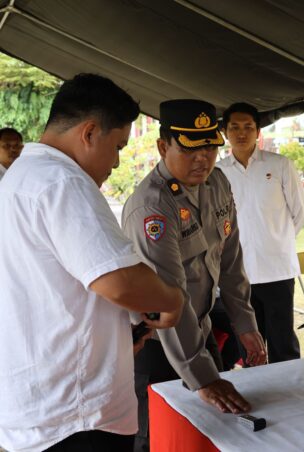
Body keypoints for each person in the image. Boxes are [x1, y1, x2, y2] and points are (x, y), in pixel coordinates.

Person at [0, 73, 184, 452]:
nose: (116, 162)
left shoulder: (19, 177)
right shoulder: (63, 182)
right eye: (117, 145)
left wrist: (114, 336)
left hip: (39, 404)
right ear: (88, 134)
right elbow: (119, 282)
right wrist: (172, 300)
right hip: (76, 417)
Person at [121, 99, 266, 452]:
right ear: (162, 146)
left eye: (209, 146)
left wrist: (245, 324)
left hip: (198, 334)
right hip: (155, 345)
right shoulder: (153, 206)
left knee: (214, 431)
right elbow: (167, 297)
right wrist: (202, 378)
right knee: (156, 438)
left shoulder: (217, 183)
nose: (202, 157)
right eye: (190, 148)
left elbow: (230, 261)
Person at [216, 102, 304, 363]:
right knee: (249, 346)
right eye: (234, 127)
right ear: (225, 132)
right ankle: (259, 394)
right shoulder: (218, 172)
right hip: (238, 273)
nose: (241, 133)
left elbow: (299, 214)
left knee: (282, 343)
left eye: (248, 127)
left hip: (277, 268)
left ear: (258, 131)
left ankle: (291, 393)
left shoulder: (280, 165)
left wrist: (276, 241)